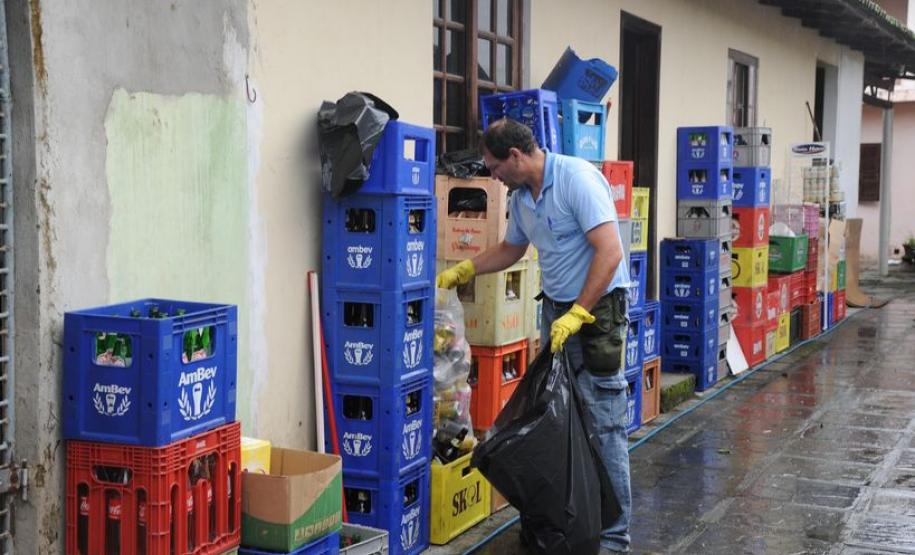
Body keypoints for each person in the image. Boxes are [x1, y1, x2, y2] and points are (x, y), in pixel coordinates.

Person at [437, 118, 632, 554]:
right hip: (557, 311)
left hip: (597, 312)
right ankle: (574, 521)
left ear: (516, 156)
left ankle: (615, 539)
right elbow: (513, 248)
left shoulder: (576, 180)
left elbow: (610, 250)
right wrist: (466, 269)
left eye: (493, 167)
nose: (491, 176)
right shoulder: (522, 198)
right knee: (561, 420)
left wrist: (581, 311)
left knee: (604, 423)